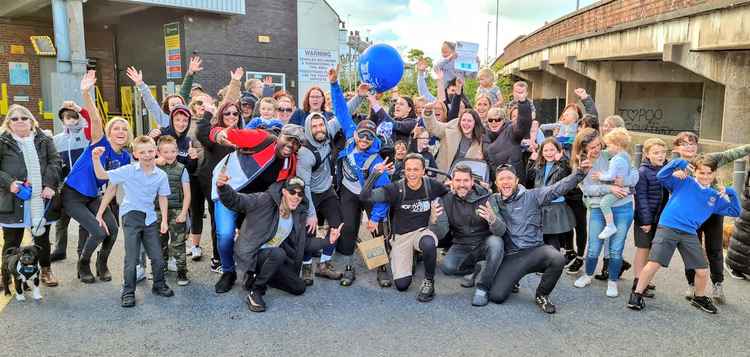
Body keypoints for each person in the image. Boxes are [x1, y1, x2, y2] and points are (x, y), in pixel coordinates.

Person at [628, 155, 740, 314]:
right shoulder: (684, 182)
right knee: (654, 263)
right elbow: (661, 175)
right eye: (702, 173)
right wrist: (681, 163)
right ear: (695, 172)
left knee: (702, 270)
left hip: (689, 233)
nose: (705, 176)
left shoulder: (715, 196)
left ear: (714, 174)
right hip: (668, 227)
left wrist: (730, 191)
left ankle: (699, 298)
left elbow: (735, 211)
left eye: (709, 173)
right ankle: (637, 294)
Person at [218, 175, 342, 312]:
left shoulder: (298, 214)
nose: (296, 197)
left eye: (300, 194)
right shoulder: (264, 200)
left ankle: (258, 277)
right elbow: (237, 201)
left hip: (273, 258)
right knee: (278, 253)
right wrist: (223, 187)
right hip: (253, 254)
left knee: (299, 287)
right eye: (292, 192)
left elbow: (304, 244)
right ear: (284, 192)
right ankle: (256, 291)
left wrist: (327, 241)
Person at [207, 124, 303, 293]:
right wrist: (218, 135)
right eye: (288, 139)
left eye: (296, 144)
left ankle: (250, 270)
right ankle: (228, 272)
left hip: (254, 201)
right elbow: (220, 132)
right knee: (225, 234)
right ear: (280, 136)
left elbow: (286, 187)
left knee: (258, 235)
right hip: (228, 189)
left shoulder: (291, 161)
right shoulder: (262, 138)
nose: (290, 146)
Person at [485, 159, 591, 312]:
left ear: (516, 181)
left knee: (557, 258)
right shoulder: (493, 201)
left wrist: (579, 174)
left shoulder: (533, 195)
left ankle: (542, 294)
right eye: (502, 179)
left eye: (509, 178)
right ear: (496, 183)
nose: (506, 182)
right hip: (512, 255)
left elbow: (557, 188)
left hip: (535, 252)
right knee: (496, 296)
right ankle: (513, 279)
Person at [92, 135, 174, 308]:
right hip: (131, 216)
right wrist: (96, 158)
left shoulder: (161, 175)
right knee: (132, 258)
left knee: (158, 257)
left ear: (156, 152)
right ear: (136, 154)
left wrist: (164, 220)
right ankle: (128, 292)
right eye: (142, 152)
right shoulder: (128, 170)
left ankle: (159, 285)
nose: (147, 155)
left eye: (150, 151)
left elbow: (163, 198)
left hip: (150, 218)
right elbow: (102, 175)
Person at [64, 71, 130, 284]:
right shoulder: (100, 142)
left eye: (124, 129)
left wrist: (102, 211)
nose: (120, 132)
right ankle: (83, 264)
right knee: (98, 231)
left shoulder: (126, 156)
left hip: (94, 196)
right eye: (116, 128)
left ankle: (102, 263)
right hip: (72, 195)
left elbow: (113, 185)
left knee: (112, 229)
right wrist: (86, 93)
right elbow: (95, 118)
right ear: (109, 133)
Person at [671, 131, 750, 302]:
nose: (689, 147)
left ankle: (717, 284)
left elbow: (733, 153)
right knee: (691, 249)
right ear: (677, 147)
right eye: (685, 144)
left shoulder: (709, 158)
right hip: (691, 214)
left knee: (714, 248)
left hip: (713, 211)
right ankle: (692, 283)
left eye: (692, 143)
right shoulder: (675, 166)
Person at [329, 68, 391, 286]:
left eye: (369, 136)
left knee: (377, 229)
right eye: (361, 134)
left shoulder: (376, 161)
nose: (363, 139)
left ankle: (381, 267)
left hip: (370, 193)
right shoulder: (349, 135)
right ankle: (349, 266)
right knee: (348, 230)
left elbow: (383, 194)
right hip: (348, 190)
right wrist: (335, 85)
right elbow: (340, 111)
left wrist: (375, 218)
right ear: (354, 132)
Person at [361, 153, 450, 302]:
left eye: (416, 169)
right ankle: (411, 257)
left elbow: (450, 195)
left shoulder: (431, 186)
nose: (412, 173)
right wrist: (375, 174)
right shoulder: (396, 188)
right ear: (404, 171)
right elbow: (365, 196)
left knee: (428, 243)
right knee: (402, 285)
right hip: (401, 237)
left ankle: (429, 281)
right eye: (409, 169)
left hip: (422, 232)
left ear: (423, 171)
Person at [0, 104, 62, 288]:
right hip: (13, 198)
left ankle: (45, 270)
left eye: (24, 118)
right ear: (9, 123)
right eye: (15, 118)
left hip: (41, 198)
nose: (20, 121)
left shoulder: (44, 139)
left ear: (31, 121)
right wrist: (9, 182)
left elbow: (55, 162)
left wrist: (51, 184)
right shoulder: (2, 141)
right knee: (12, 240)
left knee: (42, 238)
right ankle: (5, 274)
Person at [572, 128, 638, 298]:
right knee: (594, 247)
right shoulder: (581, 162)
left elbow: (634, 172)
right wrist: (609, 188)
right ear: (583, 147)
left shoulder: (611, 153)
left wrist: (624, 182)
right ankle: (587, 275)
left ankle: (613, 281)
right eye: (591, 147)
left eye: (598, 144)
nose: (596, 149)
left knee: (616, 249)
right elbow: (587, 189)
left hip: (623, 206)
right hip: (598, 208)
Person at [429, 164, 506, 305]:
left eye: (465, 181)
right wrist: (434, 221)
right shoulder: (445, 199)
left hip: (485, 243)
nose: (462, 184)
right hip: (462, 244)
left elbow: (501, 231)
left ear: (472, 182)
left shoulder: (488, 198)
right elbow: (440, 235)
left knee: (496, 242)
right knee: (447, 267)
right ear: (452, 182)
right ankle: (479, 268)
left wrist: (493, 220)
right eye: (458, 180)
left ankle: (483, 288)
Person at [297, 112, 345, 284]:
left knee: (336, 224)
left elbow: (343, 111)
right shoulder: (304, 153)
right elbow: (305, 186)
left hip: (327, 190)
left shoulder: (328, 130)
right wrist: (311, 213)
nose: (319, 129)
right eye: (314, 126)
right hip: (310, 192)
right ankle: (307, 264)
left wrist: (361, 96)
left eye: (321, 125)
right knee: (309, 228)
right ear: (309, 129)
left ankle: (324, 264)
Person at [50, 100, 91, 262]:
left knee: (84, 221)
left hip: (83, 186)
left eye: (75, 117)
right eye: (67, 117)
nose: (72, 120)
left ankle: (83, 252)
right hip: (65, 186)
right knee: (61, 219)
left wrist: (79, 108)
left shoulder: (86, 135)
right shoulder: (56, 139)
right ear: (62, 120)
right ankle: (60, 249)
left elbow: (89, 119)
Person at [632, 138, 669, 297]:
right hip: (645, 219)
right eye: (656, 153)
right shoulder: (643, 172)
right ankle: (638, 281)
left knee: (651, 250)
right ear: (647, 154)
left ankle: (644, 279)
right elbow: (641, 199)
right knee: (643, 249)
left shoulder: (666, 169)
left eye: (663, 152)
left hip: (659, 218)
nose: (660, 156)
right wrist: (646, 221)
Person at [526, 138, 575, 254]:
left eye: (552, 150)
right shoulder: (539, 166)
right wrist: (530, 162)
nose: (549, 153)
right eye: (545, 150)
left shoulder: (562, 165)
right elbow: (529, 181)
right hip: (541, 206)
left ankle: (554, 265)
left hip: (555, 207)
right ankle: (546, 264)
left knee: (553, 240)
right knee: (543, 239)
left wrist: (562, 161)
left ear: (559, 151)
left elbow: (564, 179)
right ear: (541, 152)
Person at [154, 136, 191, 286]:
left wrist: (183, 213)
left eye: (173, 151)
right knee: (159, 241)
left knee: (178, 243)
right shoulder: (154, 168)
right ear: (158, 152)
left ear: (177, 151)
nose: (170, 154)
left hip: (176, 210)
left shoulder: (182, 169)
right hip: (157, 211)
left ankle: (182, 271)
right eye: (166, 151)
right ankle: (161, 268)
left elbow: (187, 194)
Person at [483, 82, 533, 180]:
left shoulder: (511, 132)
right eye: (490, 120)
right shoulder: (483, 135)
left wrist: (522, 102)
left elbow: (523, 124)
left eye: (498, 119)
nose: (494, 122)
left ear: (504, 120)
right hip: (494, 183)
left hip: (514, 181)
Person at [592, 128, 632, 240]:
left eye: (609, 145)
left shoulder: (616, 159)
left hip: (619, 188)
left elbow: (611, 176)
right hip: (626, 187)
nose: (607, 148)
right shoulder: (626, 156)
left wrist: (600, 176)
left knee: (604, 203)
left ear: (617, 145)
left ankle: (610, 225)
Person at [422, 104, 484, 176]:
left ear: (475, 123)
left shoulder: (481, 141)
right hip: (442, 176)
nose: (466, 123)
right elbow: (434, 127)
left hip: (462, 182)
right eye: (463, 120)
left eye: (469, 121)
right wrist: (428, 112)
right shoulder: (450, 130)